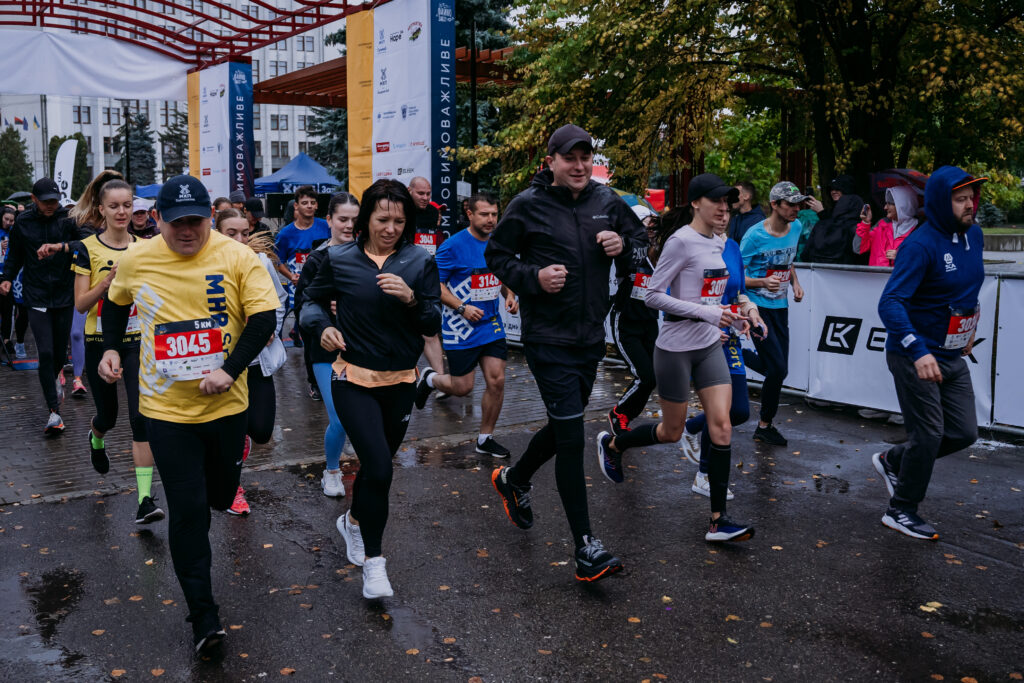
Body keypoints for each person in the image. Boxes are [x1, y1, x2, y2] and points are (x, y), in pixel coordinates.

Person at [97, 175, 279, 653]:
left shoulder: (237, 256)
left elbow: (264, 318)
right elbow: (115, 303)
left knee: (218, 495)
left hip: (227, 406)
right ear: (158, 219)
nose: (186, 231)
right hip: (166, 411)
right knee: (188, 511)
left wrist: (229, 370)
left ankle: (221, 487)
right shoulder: (136, 258)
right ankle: (204, 616)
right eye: (176, 222)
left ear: (210, 218)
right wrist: (111, 349)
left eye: (195, 221)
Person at [485, 124, 646, 582]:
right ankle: (586, 547)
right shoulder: (528, 204)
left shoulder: (607, 201)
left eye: (585, 158)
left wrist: (623, 247)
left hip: (589, 337)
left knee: (563, 427)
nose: (578, 166)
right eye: (569, 158)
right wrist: (534, 278)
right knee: (572, 438)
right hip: (547, 338)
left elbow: (640, 248)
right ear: (551, 161)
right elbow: (497, 256)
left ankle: (514, 479)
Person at [595, 173, 755, 543]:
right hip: (675, 348)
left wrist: (735, 315)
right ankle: (614, 444)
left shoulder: (719, 242)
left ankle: (719, 521)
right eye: (717, 202)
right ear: (696, 203)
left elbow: (711, 297)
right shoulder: (680, 241)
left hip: (709, 345)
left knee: (722, 426)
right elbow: (653, 295)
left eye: (728, 203)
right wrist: (707, 313)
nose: (724, 209)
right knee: (671, 432)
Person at [300, 179, 441, 599]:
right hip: (352, 378)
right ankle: (375, 565)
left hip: (400, 382)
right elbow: (309, 303)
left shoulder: (419, 260)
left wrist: (412, 299)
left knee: (377, 470)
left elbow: (432, 321)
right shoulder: (339, 258)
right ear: (366, 219)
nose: (391, 228)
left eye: (399, 221)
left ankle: (353, 521)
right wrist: (322, 327)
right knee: (379, 467)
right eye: (382, 219)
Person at [873, 167, 985, 540]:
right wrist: (918, 351)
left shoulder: (975, 236)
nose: (969, 205)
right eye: (960, 199)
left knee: (964, 432)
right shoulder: (920, 245)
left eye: (971, 198)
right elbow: (890, 303)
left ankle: (893, 459)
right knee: (929, 434)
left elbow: (969, 289)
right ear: (939, 201)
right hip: (914, 356)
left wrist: (971, 326)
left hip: (951, 354)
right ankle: (901, 510)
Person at [70, 175, 163, 524]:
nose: (122, 212)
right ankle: (96, 438)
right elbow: (81, 304)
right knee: (108, 416)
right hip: (100, 341)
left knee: (141, 417)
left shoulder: (146, 247)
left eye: (127, 205)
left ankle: (144, 500)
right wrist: (109, 283)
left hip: (137, 340)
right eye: (114, 206)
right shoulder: (86, 248)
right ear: (102, 210)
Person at [414, 192, 517, 458]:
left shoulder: (498, 243)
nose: (491, 219)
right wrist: (461, 307)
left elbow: (499, 275)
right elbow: (434, 285)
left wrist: (509, 295)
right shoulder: (452, 246)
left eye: (494, 214)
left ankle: (485, 438)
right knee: (463, 387)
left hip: (491, 324)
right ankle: (430, 379)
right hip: (460, 326)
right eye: (484, 214)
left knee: (497, 380)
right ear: (470, 214)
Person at [680, 198, 766, 499]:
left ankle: (691, 427)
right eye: (718, 210)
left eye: (728, 211)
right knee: (720, 412)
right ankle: (704, 476)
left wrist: (751, 311)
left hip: (729, 337)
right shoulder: (686, 245)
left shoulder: (732, 247)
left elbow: (739, 291)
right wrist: (705, 325)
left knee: (739, 411)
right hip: (700, 339)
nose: (723, 216)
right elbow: (673, 298)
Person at [0, 178, 92, 434]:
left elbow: (88, 243)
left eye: (54, 200)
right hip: (36, 295)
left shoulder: (68, 219)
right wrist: (7, 278)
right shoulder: (23, 222)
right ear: (34, 199)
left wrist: (61, 247)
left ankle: (54, 380)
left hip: (64, 294)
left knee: (60, 355)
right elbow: (15, 254)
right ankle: (54, 412)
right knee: (46, 352)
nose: (51, 205)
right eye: (46, 201)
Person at [214, 209, 289, 516]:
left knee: (261, 431)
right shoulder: (208, 265)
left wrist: (272, 328)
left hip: (256, 360)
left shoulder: (260, 262)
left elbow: (279, 300)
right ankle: (232, 487)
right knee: (231, 431)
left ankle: (236, 442)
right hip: (222, 362)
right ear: (216, 233)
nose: (240, 239)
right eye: (231, 233)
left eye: (245, 233)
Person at [294, 192, 359, 498]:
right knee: (340, 416)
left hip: (362, 347)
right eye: (343, 219)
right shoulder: (317, 259)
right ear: (329, 220)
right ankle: (331, 472)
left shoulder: (369, 256)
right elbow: (303, 308)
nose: (349, 225)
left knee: (359, 415)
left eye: (354, 220)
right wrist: (325, 315)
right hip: (325, 351)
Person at [739, 181, 807, 447]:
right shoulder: (754, 236)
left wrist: (796, 283)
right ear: (775, 205)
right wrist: (761, 282)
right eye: (790, 204)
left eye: (798, 204)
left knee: (778, 370)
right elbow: (735, 276)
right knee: (777, 369)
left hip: (781, 307)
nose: (796, 209)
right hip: (757, 309)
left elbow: (788, 261)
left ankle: (737, 352)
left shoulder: (796, 227)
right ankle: (764, 426)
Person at [606, 204, 664, 435]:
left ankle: (624, 416)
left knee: (653, 377)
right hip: (626, 321)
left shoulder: (660, 251)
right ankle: (618, 413)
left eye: (653, 228)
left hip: (649, 321)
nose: (650, 232)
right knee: (645, 376)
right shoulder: (627, 249)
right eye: (646, 227)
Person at [274, 185, 329, 397]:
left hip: (325, 287)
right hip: (300, 291)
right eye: (304, 203)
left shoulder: (325, 226)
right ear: (296, 206)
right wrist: (291, 276)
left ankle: (332, 378)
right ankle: (314, 382)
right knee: (310, 338)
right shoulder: (286, 233)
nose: (309, 206)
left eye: (312, 203)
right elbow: (278, 261)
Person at [407, 176, 446, 376]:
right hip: (404, 276)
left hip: (427, 277)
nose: (425, 197)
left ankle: (441, 380)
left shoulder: (432, 212)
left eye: (428, 194)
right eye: (420, 193)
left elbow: (436, 242)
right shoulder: (401, 210)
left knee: (430, 329)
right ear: (409, 191)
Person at [800, 175, 862, 264]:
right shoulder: (829, 213)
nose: (833, 191)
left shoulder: (857, 220)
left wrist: (822, 213)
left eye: (838, 188)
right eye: (831, 189)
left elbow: (837, 230)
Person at [854, 185, 919, 267]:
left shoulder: (919, 230)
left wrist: (902, 256)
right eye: (886, 203)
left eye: (889, 203)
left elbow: (923, 260)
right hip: (875, 275)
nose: (885, 207)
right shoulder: (881, 224)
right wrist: (865, 223)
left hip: (901, 275)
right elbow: (858, 248)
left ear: (903, 205)